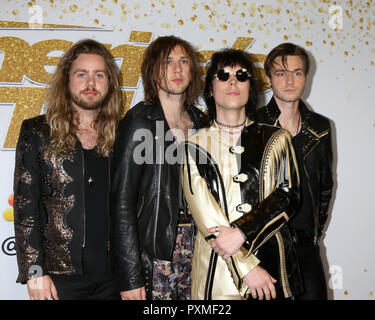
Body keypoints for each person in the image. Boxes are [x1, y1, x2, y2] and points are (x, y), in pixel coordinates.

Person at [182, 48, 303, 300]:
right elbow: (207, 218)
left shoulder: (277, 138)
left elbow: (287, 195)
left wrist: (241, 233)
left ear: (251, 88)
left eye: (242, 75)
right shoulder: (192, 146)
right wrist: (247, 267)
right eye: (223, 75)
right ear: (211, 90)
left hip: (271, 270)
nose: (233, 81)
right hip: (216, 272)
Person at [13, 39, 124, 300]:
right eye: (81, 74)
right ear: (67, 80)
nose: (90, 82)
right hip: (57, 280)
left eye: (99, 75)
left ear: (109, 83)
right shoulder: (37, 132)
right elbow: (25, 207)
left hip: (113, 279)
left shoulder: (123, 135)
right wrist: (34, 271)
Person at [110, 35, 207, 300]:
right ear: (153, 71)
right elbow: (121, 204)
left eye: (183, 61)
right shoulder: (138, 123)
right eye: (167, 62)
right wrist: (130, 276)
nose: (177, 69)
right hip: (157, 255)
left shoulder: (203, 124)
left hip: (203, 251)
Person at [256, 42, 333, 299]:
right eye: (281, 73)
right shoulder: (253, 124)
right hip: (265, 247)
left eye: (297, 73)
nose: (290, 80)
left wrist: (313, 233)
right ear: (269, 78)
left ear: (305, 77)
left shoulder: (321, 128)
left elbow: (325, 186)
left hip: (305, 248)